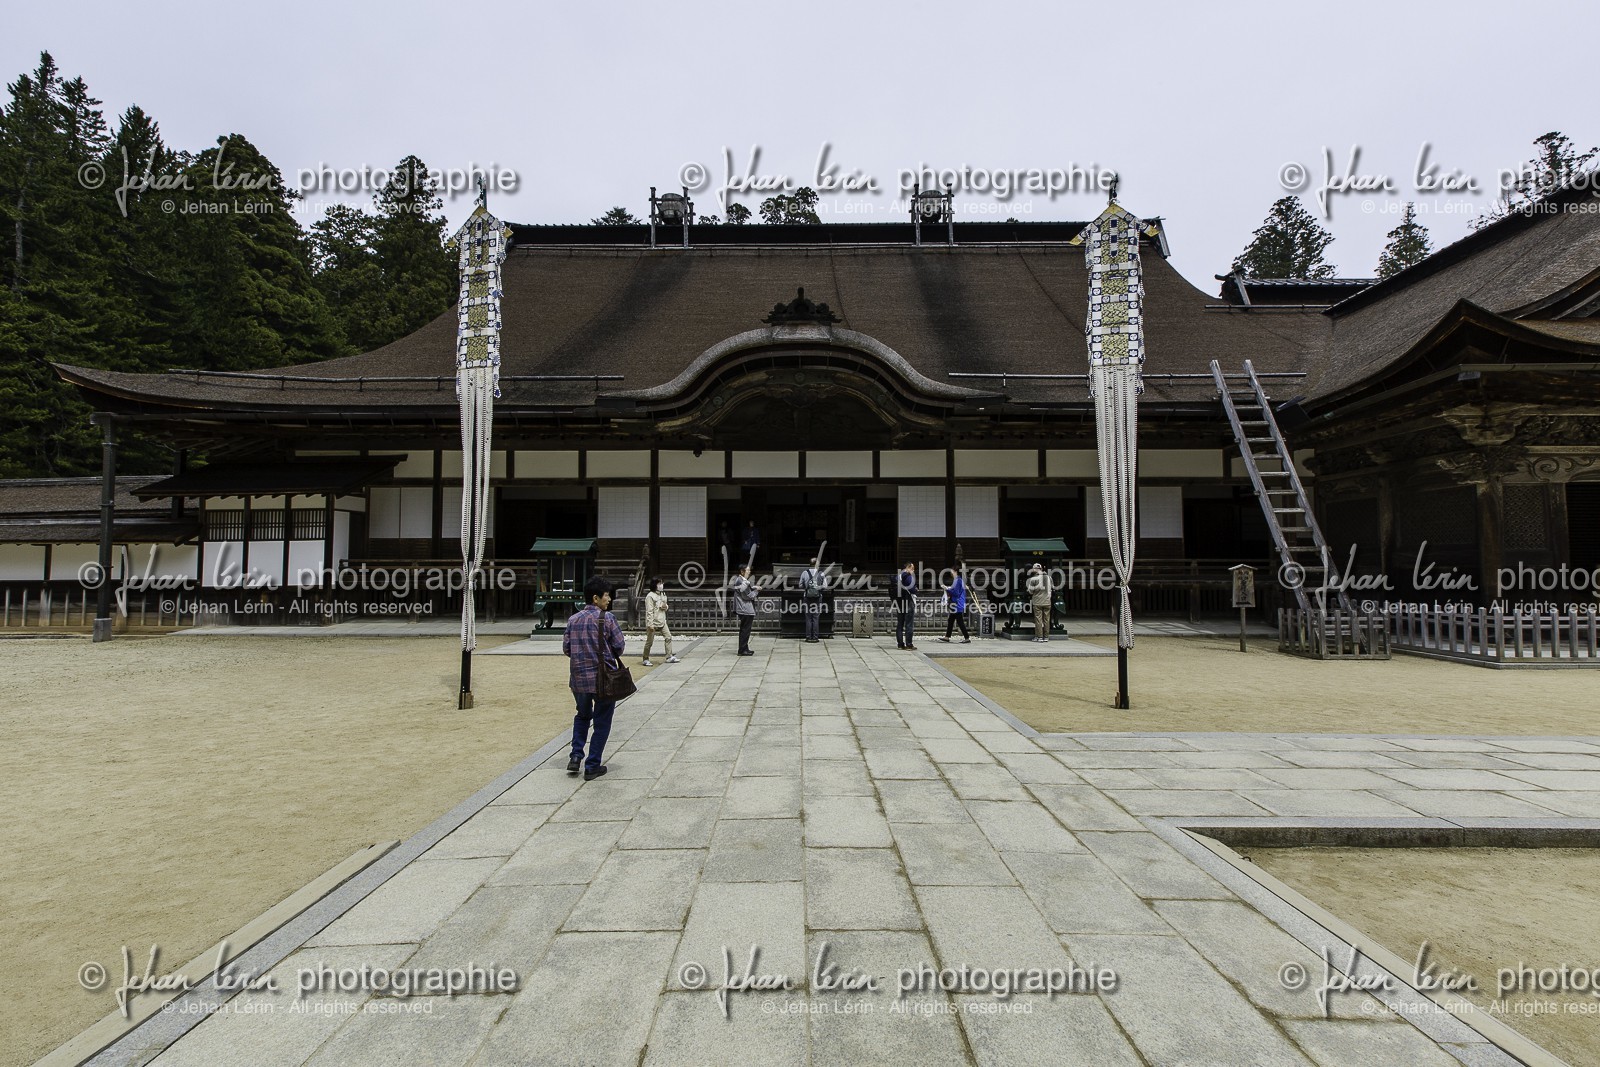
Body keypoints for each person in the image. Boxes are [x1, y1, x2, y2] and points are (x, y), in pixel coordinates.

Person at [561, 575, 626, 781]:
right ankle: (592, 764)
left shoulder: (573, 619)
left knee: (582, 716)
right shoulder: (607, 619)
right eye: (607, 596)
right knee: (602, 721)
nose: (609, 600)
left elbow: (567, 648)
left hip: (579, 679)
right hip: (603, 679)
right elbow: (619, 646)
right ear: (596, 598)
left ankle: (575, 755)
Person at [641, 576, 678, 666]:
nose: (661, 585)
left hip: (662, 620)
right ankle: (645, 658)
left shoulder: (662, 594)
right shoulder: (650, 596)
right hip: (653, 621)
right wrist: (650, 624)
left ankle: (669, 656)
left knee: (668, 637)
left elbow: (665, 605)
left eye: (662, 583)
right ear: (655, 585)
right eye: (659, 583)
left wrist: (666, 607)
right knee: (650, 641)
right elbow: (649, 611)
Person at [731, 564, 758, 655]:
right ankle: (742, 649)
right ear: (742, 572)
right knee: (745, 630)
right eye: (747, 570)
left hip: (745, 608)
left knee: (745, 629)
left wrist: (753, 588)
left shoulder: (742, 581)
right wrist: (757, 591)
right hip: (745, 608)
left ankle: (744, 647)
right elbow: (747, 596)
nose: (749, 572)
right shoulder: (741, 581)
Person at [938, 570, 971, 643]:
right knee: (951, 620)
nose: (951, 573)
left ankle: (967, 637)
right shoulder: (958, 580)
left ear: (956, 572)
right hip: (957, 603)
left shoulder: (958, 581)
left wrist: (947, 589)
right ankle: (947, 637)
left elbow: (956, 593)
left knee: (960, 621)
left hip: (957, 604)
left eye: (952, 571)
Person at [799, 556, 825, 642]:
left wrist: (807, 587)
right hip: (818, 597)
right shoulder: (821, 573)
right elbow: (825, 586)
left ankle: (808, 637)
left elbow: (800, 585)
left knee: (808, 618)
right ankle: (815, 637)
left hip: (807, 597)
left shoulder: (804, 573)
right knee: (816, 617)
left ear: (809, 564)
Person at [1027, 563, 1052, 643]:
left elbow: (1030, 591)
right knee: (1046, 619)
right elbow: (1052, 587)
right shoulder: (1049, 577)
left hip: (1037, 601)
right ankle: (1046, 637)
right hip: (1047, 601)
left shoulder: (1033, 579)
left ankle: (1039, 637)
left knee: (1038, 620)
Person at [895, 561, 917, 650]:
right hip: (908, 601)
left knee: (900, 623)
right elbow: (912, 589)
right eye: (912, 568)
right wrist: (915, 589)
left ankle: (900, 644)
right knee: (909, 624)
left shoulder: (898, 576)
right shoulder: (908, 576)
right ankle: (909, 644)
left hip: (899, 601)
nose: (913, 570)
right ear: (908, 568)